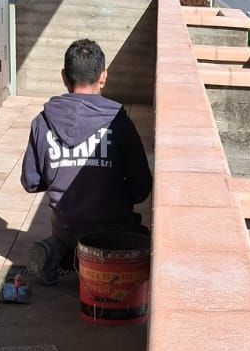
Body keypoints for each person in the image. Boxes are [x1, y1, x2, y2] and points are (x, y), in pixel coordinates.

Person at [20, 38, 152, 283]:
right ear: (103, 77)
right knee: (143, 239)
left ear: (64, 77)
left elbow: (31, 182)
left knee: (69, 236)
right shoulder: (119, 121)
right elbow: (142, 187)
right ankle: (86, 260)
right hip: (114, 229)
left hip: (66, 227)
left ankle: (56, 252)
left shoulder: (42, 122)